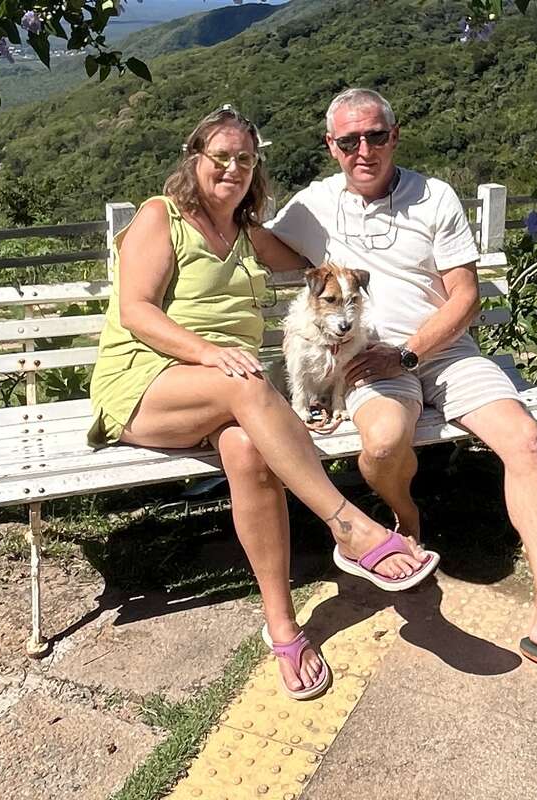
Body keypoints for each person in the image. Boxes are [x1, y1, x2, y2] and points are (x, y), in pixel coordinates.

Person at [267, 88, 537, 689]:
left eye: (375, 135)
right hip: (366, 362)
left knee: (526, 441)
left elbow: (465, 296)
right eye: (349, 140)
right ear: (331, 147)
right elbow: (257, 243)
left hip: (442, 354)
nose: (363, 150)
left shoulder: (435, 196)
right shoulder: (315, 204)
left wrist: (407, 353)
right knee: (378, 446)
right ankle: (408, 518)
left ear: (394, 135)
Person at [86, 105, 437, 700]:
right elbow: (136, 311)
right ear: (194, 159)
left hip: (228, 395)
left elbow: (320, 267)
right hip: (149, 384)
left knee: (248, 450)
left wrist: (387, 243)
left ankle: (283, 630)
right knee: (247, 385)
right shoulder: (160, 217)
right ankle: (348, 524)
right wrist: (208, 354)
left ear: (255, 168)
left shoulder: (249, 235)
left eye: (244, 159)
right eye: (219, 156)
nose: (232, 168)